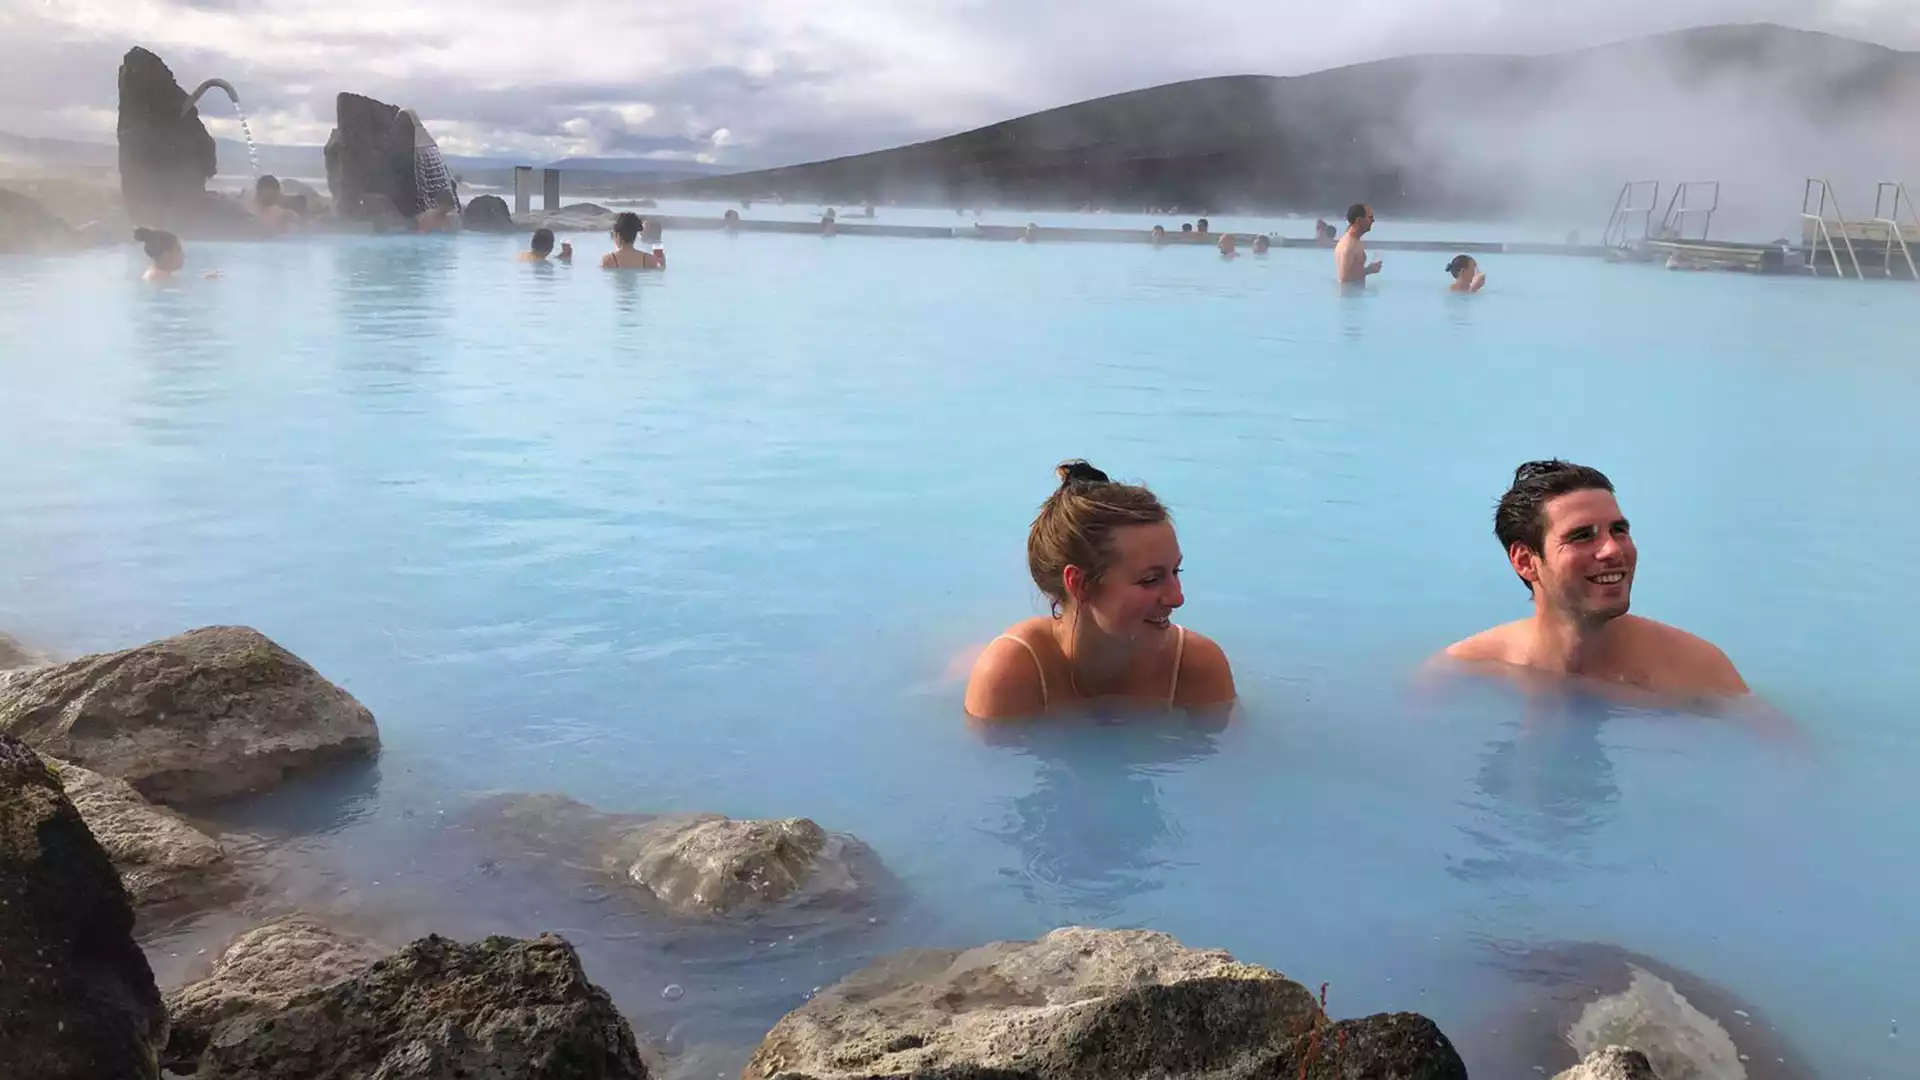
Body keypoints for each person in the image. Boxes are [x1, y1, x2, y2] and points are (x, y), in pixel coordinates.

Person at [1438, 460, 1748, 698]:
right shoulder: (1464, 673)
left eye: (1619, 530)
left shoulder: (1696, 672)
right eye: (1582, 536)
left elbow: (1782, 756)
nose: (1613, 550)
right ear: (1525, 562)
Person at [964, 461, 1236, 720]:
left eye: (1176, 571)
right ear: (1080, 584)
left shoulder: (1195, 667)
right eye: (1150, 579)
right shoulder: (1011, 674)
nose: (1177, 598)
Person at [132, 227, 216, 282]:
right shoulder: (158, 278)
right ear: (166, 254)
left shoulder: (160, 274)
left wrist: (204, 278)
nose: (184, 256)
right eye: (179, 250)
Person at [1336, 203, 1382, 284]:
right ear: (1359, 220)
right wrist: (1369, 270)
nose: (1373, 221)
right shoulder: (1349, 245)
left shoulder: (1353, 240)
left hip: (1354, 293)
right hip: (1350, 295)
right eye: (1370, 217)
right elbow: (1344, 277)